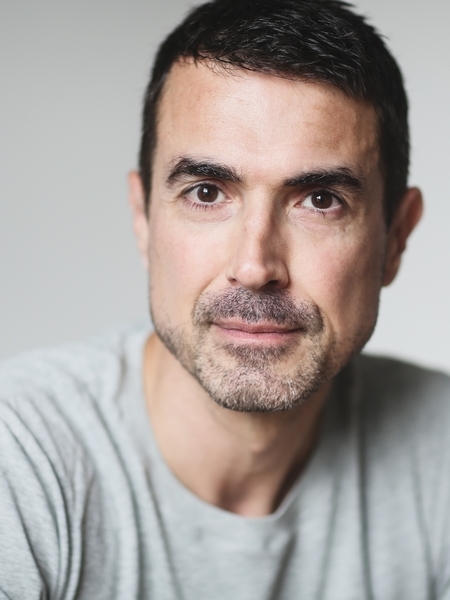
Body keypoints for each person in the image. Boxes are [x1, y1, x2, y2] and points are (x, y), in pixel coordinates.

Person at [1, 0, 449, 597]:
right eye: (207, 193)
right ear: (143, 217)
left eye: (320, 200)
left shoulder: (439, 449)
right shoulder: (20, 460)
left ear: (395, 238)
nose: (255, 266)